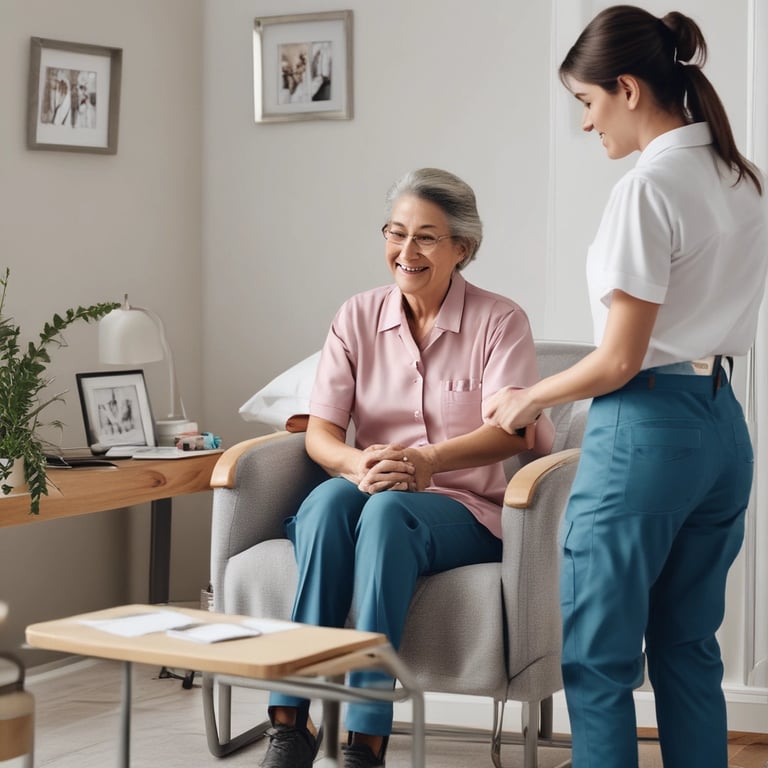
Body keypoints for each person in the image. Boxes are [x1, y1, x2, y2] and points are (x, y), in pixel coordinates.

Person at [483, 7, 768, 768]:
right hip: (723, 431)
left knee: (599, 657)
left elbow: (619, 360)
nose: (586, 122)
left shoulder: (647, 189)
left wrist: (529, 396)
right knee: (688, 647)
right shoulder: (744, 180)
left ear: (629, 89)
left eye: (587, 101)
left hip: (645, 433)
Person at [260, 167, 554, 768]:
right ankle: (290, 722)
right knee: (325, 505)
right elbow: (321, 432)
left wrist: (429, 460)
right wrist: (357, 461)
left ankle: (366, 739)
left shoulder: (501, 321)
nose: (406, 251)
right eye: (396, 233)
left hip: (464, 509)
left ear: (461, 248)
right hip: (369, 487)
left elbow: (511, 431)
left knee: (389, 513)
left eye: (426, 237)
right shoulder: (357, 316)